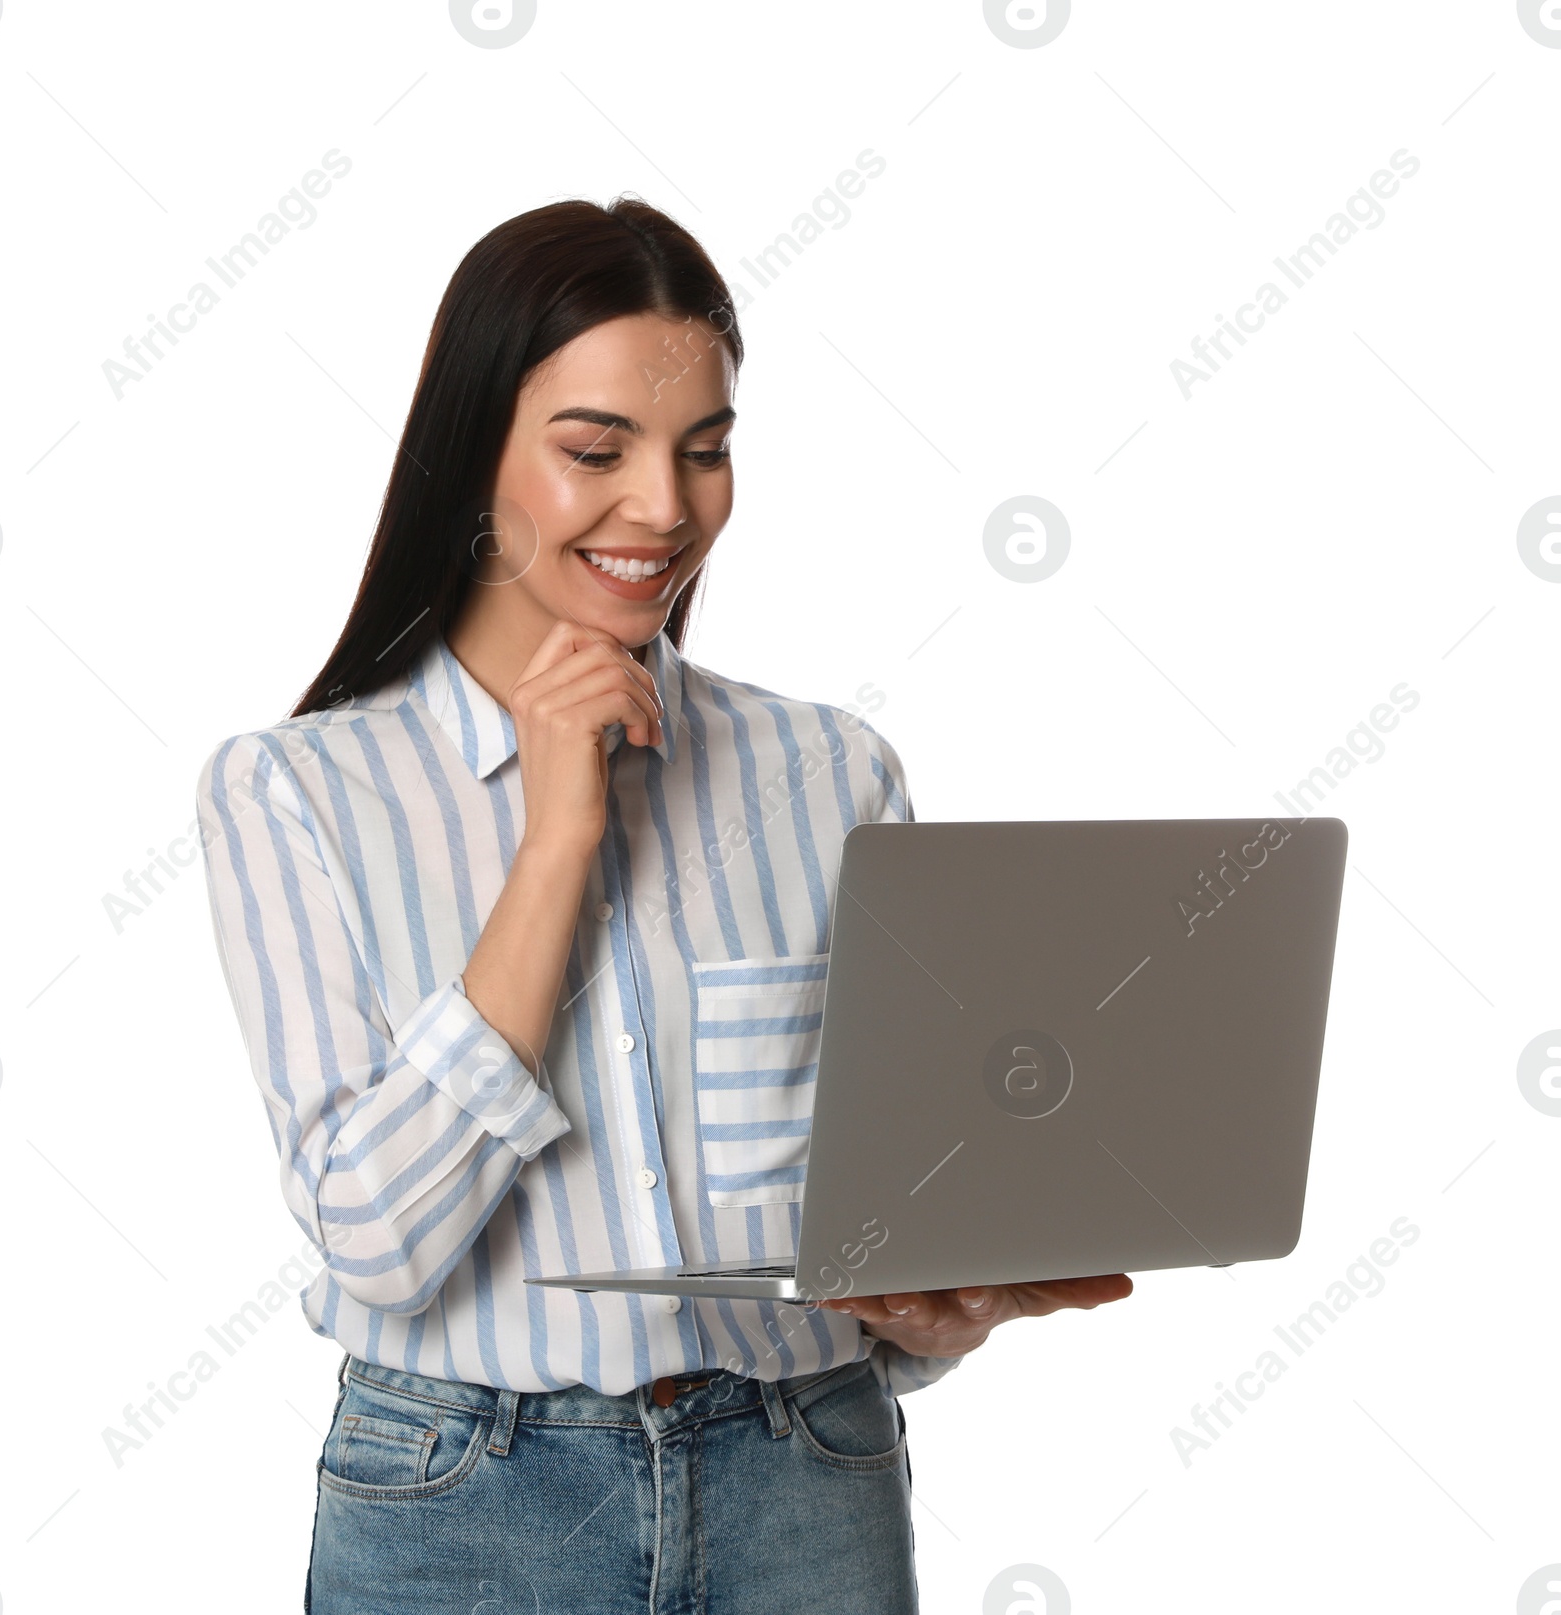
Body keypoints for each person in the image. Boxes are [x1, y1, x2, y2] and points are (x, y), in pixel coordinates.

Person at [196, 196, 1133, 1613]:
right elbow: (376, 1242)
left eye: (706, 451)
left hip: (804, 1474)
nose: (664, 507)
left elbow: (876, 1217)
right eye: (595, 451)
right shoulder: (297, 793)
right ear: (471, 461)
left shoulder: (832, 773)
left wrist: (937, 1317)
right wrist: (556, 840)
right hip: (462, 1497)